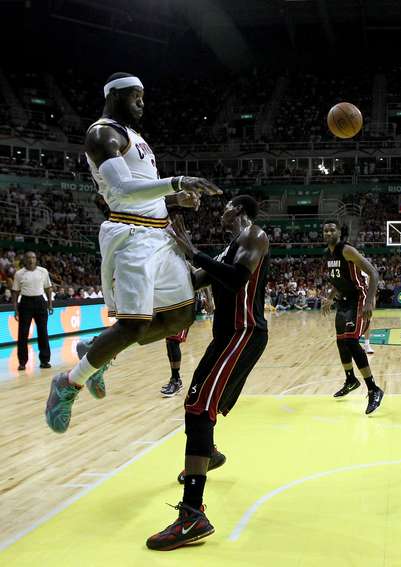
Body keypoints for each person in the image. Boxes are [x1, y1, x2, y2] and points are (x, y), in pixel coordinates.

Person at [45, 72, 221, 434]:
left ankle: (97, 349)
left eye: (143, 96)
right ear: (115, 96)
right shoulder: (102, 134)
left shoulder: (137, 138)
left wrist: (173, 200)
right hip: (131, 235)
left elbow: (143, 191)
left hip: (159, 233)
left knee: (181, 316)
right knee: (134, 325)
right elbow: (124, 189)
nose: (142, 102)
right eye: (136, 96)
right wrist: (177, 182)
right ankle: (69, 384)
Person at [146, 195, 269, 551]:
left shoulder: (254, 236)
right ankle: (208, 454)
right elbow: (196, 279)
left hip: (243, 333)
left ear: (241, 211)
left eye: (227, 207)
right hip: (225, 336)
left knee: (200, 410)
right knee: (194, 403)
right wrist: (168, 257)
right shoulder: (227, 247)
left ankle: (192, 515)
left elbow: (236, 279)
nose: (222, 211)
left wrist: (191, 250)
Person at [321, 220, 384, 414]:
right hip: (344, 300)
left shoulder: (347, 250)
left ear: (339, 232)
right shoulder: (327, 254)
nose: (328, 232)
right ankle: (350, 380)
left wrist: (368, 302)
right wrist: (330, 297)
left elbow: (373, 273)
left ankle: (374, 389)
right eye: (325, 230)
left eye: (332, 229)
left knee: (350, 340)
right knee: (341, 342)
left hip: (359, 298)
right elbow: (338, 280)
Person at [160, 289, 214, 397]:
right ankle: (175, 379)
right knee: (169, 341)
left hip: (187, 305)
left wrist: (208, 300)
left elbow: (201, 273)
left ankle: (176, 380)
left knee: (173, 340)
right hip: (173, 303)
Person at [12, 251, 53, 370]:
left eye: (33, 257)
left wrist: (50, 304)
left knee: (43, 332)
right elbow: (15, 293)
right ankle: (22, 362)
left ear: (36, 259)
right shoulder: (19, 274)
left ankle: (45, 360)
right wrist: (15, 310)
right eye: (28, 258)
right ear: (24, 260)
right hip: (25, 303)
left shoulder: (43, 271)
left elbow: (48, 288)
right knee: (23, 333)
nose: (31, 260)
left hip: (40, 302)